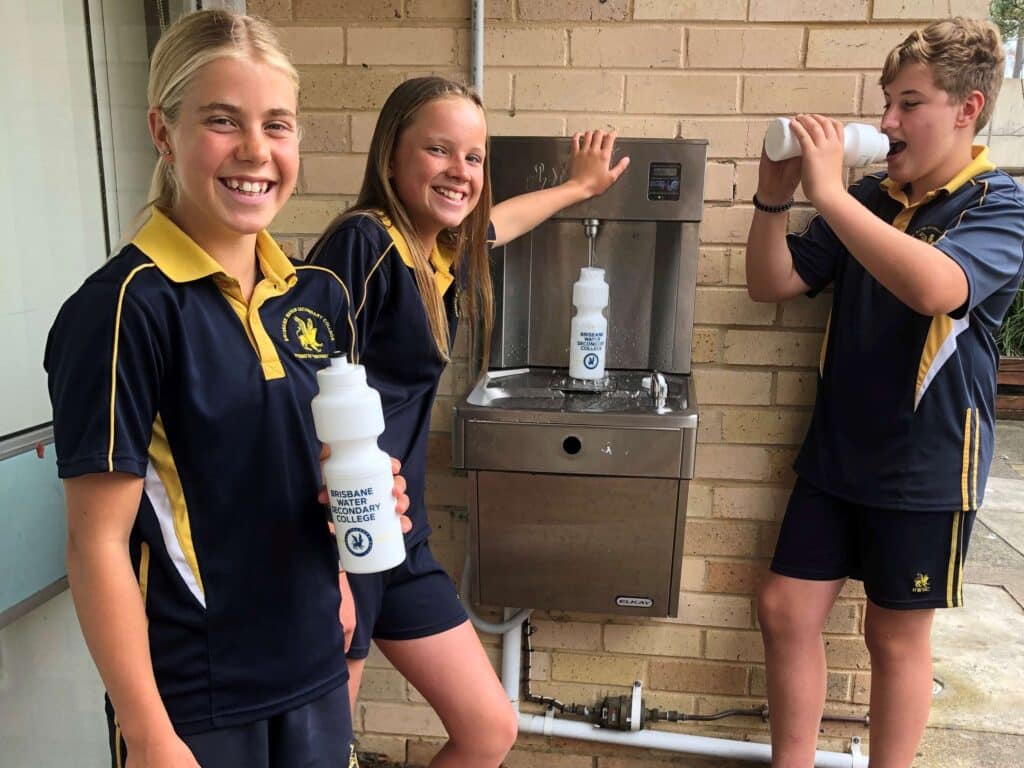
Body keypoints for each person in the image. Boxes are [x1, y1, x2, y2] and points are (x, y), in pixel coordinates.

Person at [44, 10, 409, 768]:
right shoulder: (124, 310)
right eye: (222, 120)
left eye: (278, 124)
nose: (256, 151)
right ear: (163, 131)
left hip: (312, 670)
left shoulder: (314, 298)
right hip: (198, 698)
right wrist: (148, 733)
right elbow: (96, 543)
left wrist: (349, 549)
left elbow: (315, 473)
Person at [308, 76, 629, 767]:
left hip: (403, 541)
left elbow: (498, 222)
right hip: (347, 539)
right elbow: (299, 399)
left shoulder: (437, 251)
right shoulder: (362, 245)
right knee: (327, 751)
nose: (461, 171)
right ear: (392, 155)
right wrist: (328, 570)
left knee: (488, 727)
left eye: (475, 157)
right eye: (439, 150)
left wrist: (579, 189)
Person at [745, 17, 1024, 768]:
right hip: (838, 447)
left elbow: (938, 287)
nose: (887, 123)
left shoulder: (999, 204)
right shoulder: (870, 195)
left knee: (894, 636)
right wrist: (775, 200)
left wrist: (830, 194)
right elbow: (771, 282)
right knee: (784, 608)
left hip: (927, 464)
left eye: (909, 104)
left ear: (967, 109)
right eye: (886, 103)